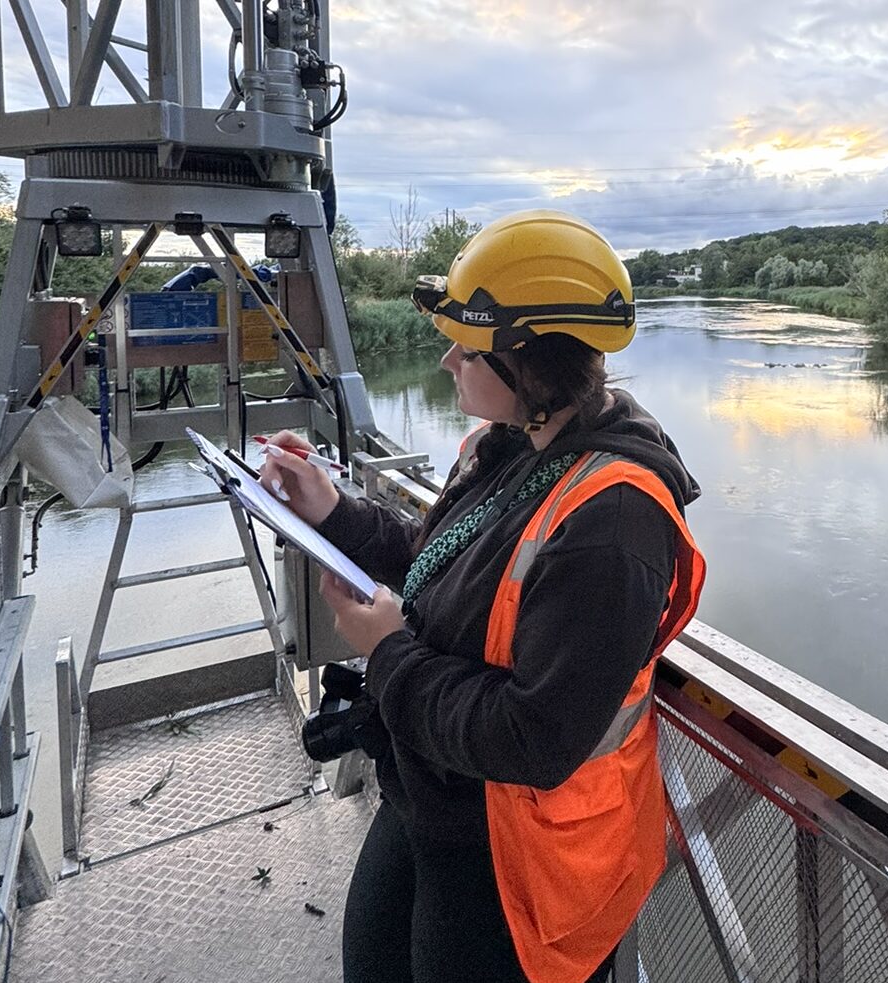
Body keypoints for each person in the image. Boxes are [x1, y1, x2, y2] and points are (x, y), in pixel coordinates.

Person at [258, 209, 706, 983]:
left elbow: (534, 737)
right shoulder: (509, 446)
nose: (444, 360)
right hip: (431, 796)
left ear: (526, 362)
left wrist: (390, 651)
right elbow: (439, 567)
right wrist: (330, 509)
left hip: (517, 859)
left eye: (467, 346)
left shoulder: (613, 523)